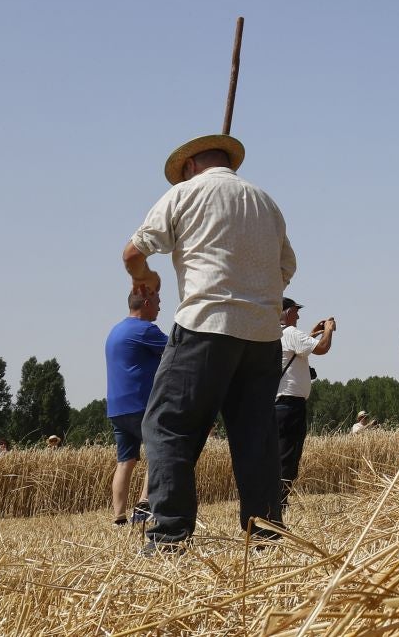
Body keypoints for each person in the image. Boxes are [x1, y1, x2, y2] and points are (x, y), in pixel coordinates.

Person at [123, 132, 295, 552]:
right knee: (256, 437)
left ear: (189, 166)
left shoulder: (184, 194)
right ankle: (265, 532)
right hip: (262, 334)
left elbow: (132, 253)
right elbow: (286, 268)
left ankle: (169, 535)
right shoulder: (264, 201)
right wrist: (255, 294)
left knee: (167, 426)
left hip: (204, 325)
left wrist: (145, 278)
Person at [105, 285, 167, 526]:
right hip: (141, 404)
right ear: (146, 303)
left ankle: (119, 518)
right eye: (158, 301)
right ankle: (144, 505)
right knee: (159, 452)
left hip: (117, 407)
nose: (160, 306)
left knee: (125, 461)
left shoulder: (115, 331)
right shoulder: (145, 330)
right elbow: (177, 350)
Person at [274, 297, 334, 506]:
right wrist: (328, 330)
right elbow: (323, 348)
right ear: (287, 312)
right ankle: (280, 502)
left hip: (276, 405)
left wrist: (311, 334)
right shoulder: (291, 333)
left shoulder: (274, 334)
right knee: (289, 455)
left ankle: (274, 499)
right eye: (296, 311)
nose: (298, 316)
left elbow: (293, 351)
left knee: (277, 453)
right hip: (291, 406)